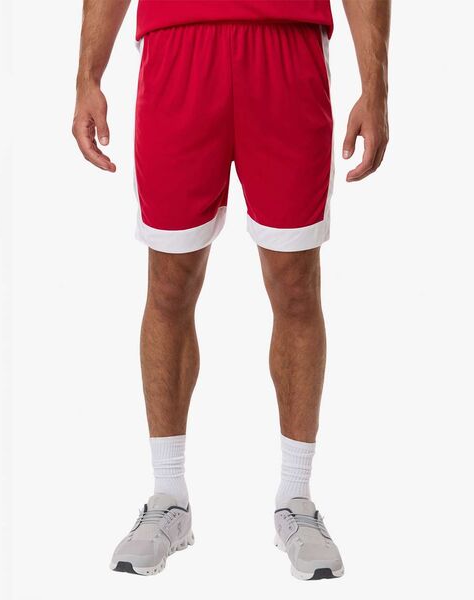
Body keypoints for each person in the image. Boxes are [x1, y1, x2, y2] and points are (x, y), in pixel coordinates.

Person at [72, 0, 390, 581]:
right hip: (178, 43)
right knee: (169, 282)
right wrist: (87, 76)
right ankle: (169, 498)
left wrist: (376, 86)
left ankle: (296, 500)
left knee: (295, 285)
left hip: (287, 45)